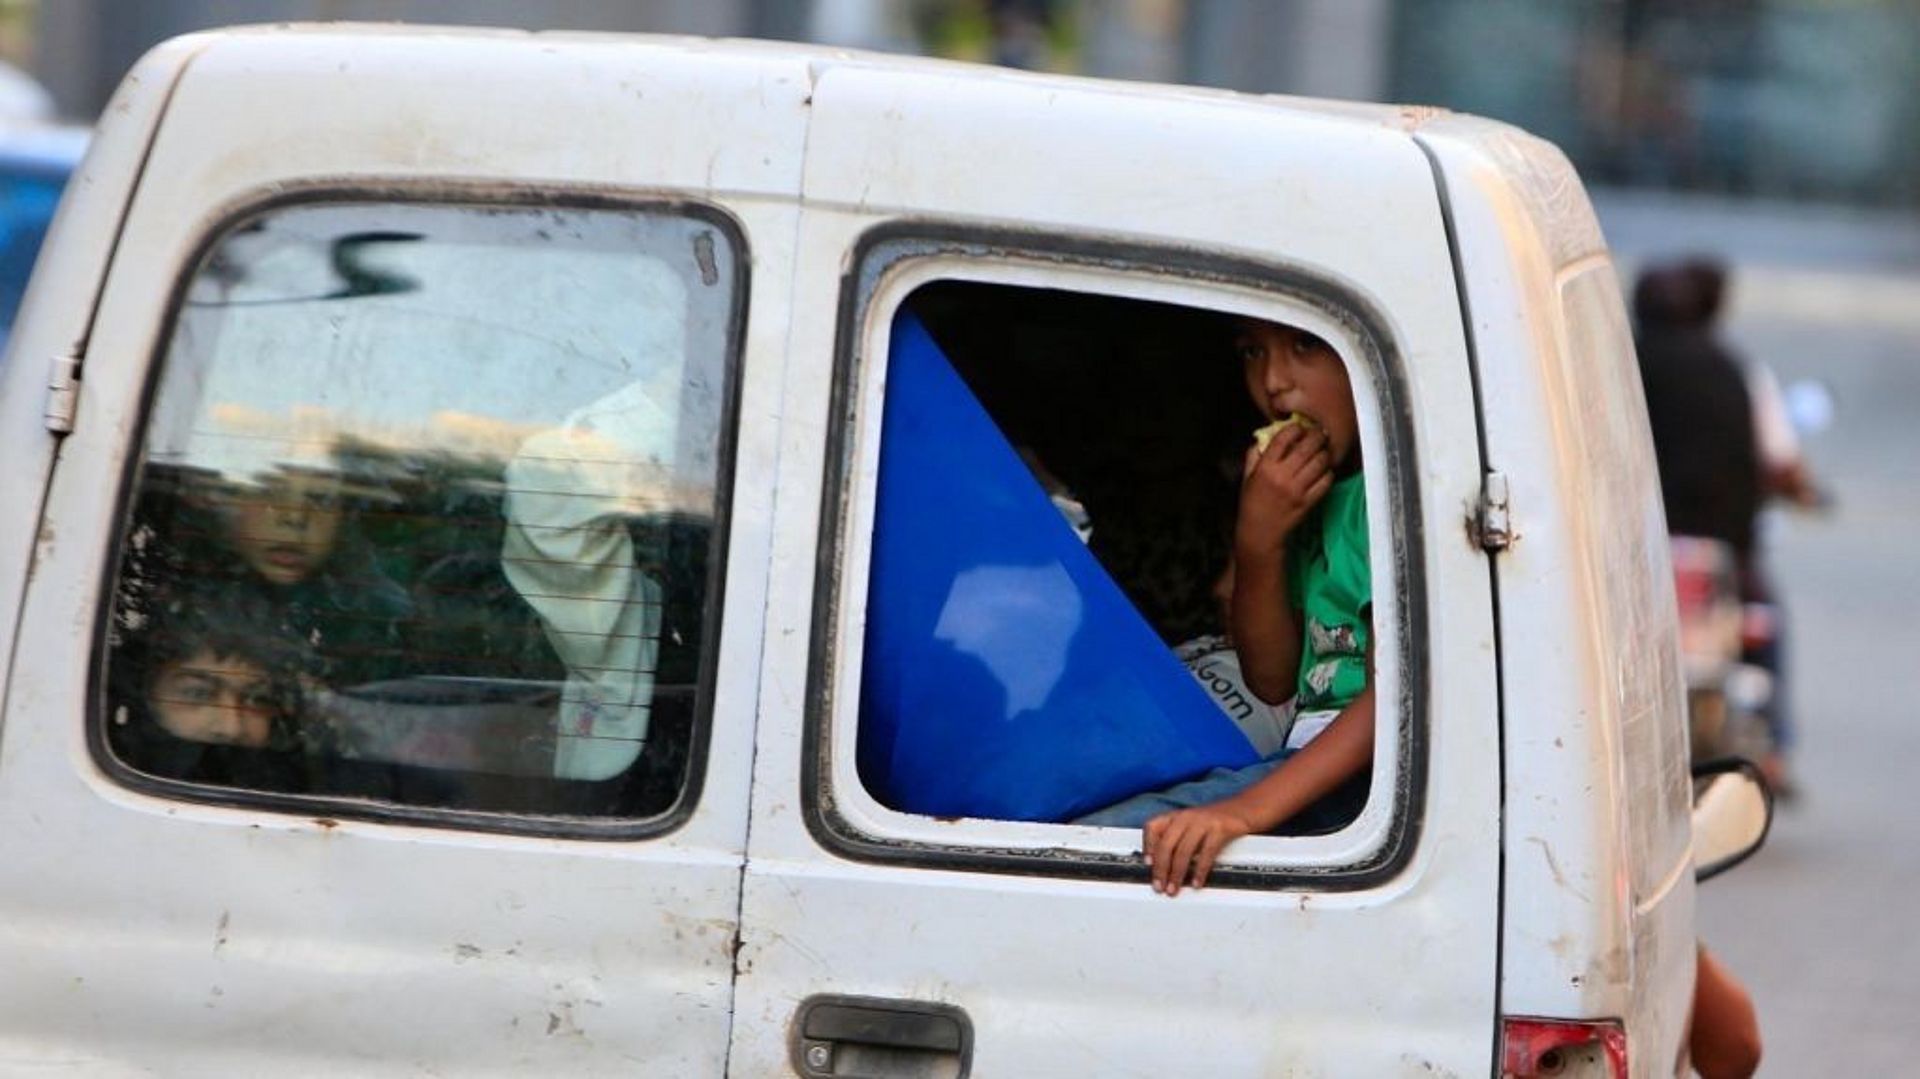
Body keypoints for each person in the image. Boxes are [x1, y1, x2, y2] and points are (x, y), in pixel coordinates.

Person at [1078, 318, 1373, 895]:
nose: (1273, 382)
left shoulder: (1390, 497)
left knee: (1101, 843)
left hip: (1366, 782)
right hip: (1303, 758)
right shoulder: (1318, 498)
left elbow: (1402, 699)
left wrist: (1242, 814)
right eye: (1252, 352)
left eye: (1305, 345)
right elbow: (1271, 679)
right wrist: (1258, 541)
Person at [107, 583, 312, 791]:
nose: (231, 728)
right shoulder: (110, 781)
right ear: (145, 695)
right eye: (199, 694)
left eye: (259, 699)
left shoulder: (292, 796)